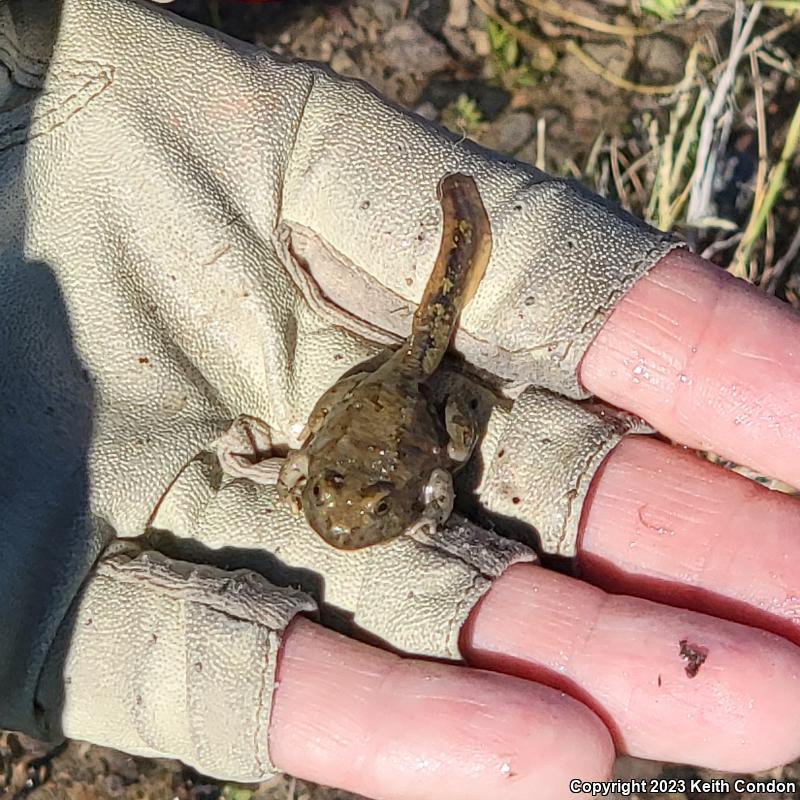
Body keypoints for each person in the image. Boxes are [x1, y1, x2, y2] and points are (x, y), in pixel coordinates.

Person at [2, 1, 800, 798]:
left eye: (363, 510)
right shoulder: (322, 486)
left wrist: (419, 479)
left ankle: (462, 264)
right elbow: (354, 478)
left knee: (448, 422)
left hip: (402, 391)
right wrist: (355, 481)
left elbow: (434, 477)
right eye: (338, 505)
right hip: (361, 402)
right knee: (436, 403)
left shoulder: (393, 480)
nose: (344, 526)